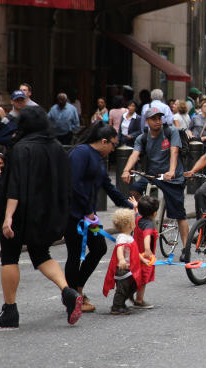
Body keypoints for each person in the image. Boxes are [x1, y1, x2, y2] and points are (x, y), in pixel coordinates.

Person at [0, 106, 82, 328]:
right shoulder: (57, 148)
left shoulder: (21, 148)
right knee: (41, 253)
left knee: (9, 257)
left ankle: (10, 310)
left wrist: (8, 217)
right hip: (45, 212)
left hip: (19, 212)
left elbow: (15, 186)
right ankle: (67, 291)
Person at [64, 124, 135, 313]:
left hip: (88, 215)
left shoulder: (98, 159)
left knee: (99, 248)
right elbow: (73, 183)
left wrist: (133, 206)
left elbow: (109, 187)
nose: (113, 149)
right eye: (113, 144)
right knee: (74, 254)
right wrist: (88, 211)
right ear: (104, 141)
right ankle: (73, 297)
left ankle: (77, 290)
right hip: (73, 214)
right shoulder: (80, 153)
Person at [121, 107, 190, 262]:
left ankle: (186, 248)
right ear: (147, 121)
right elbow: (135, 154)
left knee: (179, 212)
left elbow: (174, 152)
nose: (158, 121)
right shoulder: (143, 138)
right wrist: (126, 170)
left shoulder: (170, 132)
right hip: (152, 174)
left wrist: (172, 171)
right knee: (134, 190)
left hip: (172, 176)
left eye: (160, 118)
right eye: (154, 118)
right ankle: (143, 216)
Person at [101, 208, 142, 315]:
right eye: (133, 221)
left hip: (130, 268)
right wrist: (122, 260)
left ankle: (122, 303)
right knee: (122, 288)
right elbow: (119, 248)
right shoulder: (122, 237)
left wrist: (142, 259)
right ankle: (116, 306)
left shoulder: (128, 237)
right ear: (129, 225)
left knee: (132, 286)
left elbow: (134, 252)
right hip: (123, 269)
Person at [133, 195, 159, 310]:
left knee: (133, 275)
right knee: (143, 278)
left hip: (135, 252)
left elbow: (137, 213)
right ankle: (139, 300)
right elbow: (147, 236)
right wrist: (148, 250)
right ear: (154, 213)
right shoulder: (149, 224)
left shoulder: (139, 217)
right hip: (143, 256)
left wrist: (135, 206)